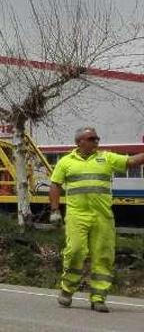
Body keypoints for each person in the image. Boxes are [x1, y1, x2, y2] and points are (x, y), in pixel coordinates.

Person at [49, 126, 144, 313]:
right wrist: (54, 210)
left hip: (103, 217)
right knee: (75, 251)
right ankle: (67, 290)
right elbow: (55, 185)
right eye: (92, 138)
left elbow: (132, 161)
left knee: (103, 256)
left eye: (97, 139)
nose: (96, 142)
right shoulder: (66, 162)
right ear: (79, 142)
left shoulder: (106, 158)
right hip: (77, 215)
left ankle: (98, 298)